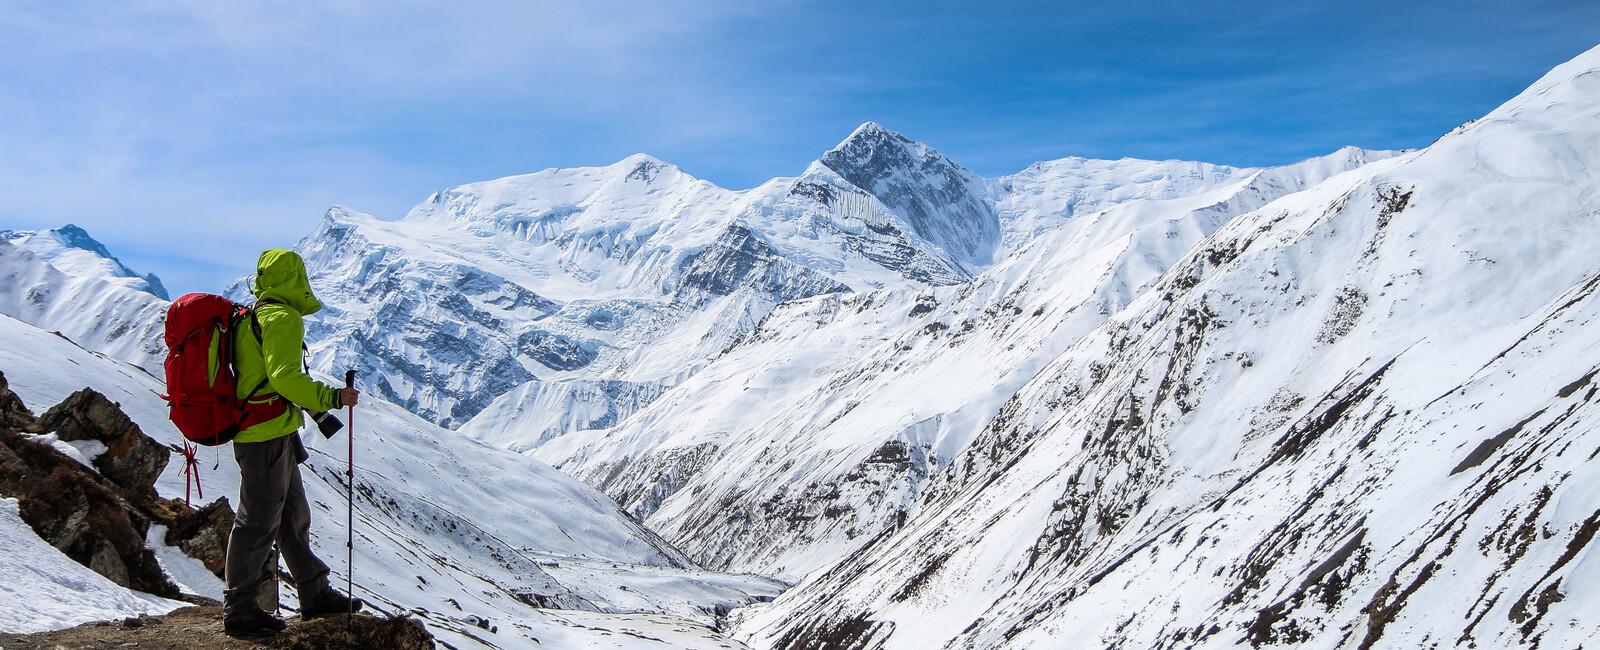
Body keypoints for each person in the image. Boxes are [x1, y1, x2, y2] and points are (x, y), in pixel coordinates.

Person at [223, 249, 364, 637]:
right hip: (265, 434)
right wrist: (333, 398)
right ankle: (240, 608)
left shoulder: (251, 315)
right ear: (295, 277)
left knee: (290, 516)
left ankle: (314, 591)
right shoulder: (282, 318)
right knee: (259, 519)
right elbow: (285, 378)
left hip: (268, 430)